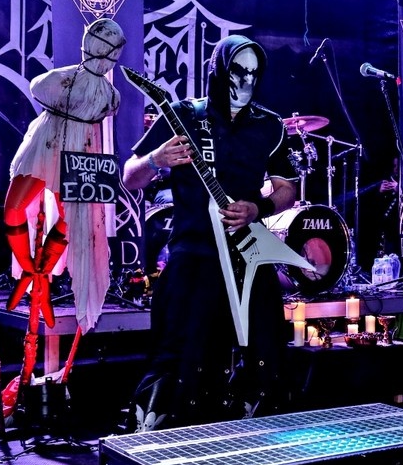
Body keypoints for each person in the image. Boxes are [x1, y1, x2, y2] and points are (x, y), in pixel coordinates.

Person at [122, 34, 299, 431]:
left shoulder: (270, 125)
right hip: (195, 249)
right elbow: (130, 176)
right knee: (178, 349)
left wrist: (259, 208)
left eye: (254, 73)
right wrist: (156, 159)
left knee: (266, 347)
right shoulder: (185, 114)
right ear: (219, 71)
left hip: (247, 250)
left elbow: (288, 189)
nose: (246, 81)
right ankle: (157, 427)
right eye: (238, 71)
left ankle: (255, 426)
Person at [3, 18, 125, 387]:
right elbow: (40, 87)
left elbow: (42, 87)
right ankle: (32, 270)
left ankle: (39, 273)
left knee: (74, 222)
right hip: (49, 145)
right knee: (18, 209)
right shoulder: (65, 82)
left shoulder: (108, 95)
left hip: (82, 154)